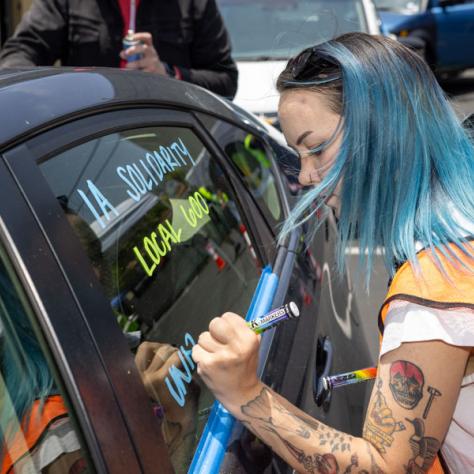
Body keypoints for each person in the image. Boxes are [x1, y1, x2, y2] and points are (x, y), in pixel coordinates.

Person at [192, 33, 474, 473]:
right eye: (297, 155)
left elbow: (386, 468)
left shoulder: (430, 293)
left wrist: (245, 393)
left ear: (384, 126)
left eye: (317, 148)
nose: (305, 177)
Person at [0, 0, 238, 99]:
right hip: (89, 138)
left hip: (171, 144)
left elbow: (225, 82)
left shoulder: (193, 4)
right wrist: (39, 94)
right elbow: (22, 49)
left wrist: (169, 74)